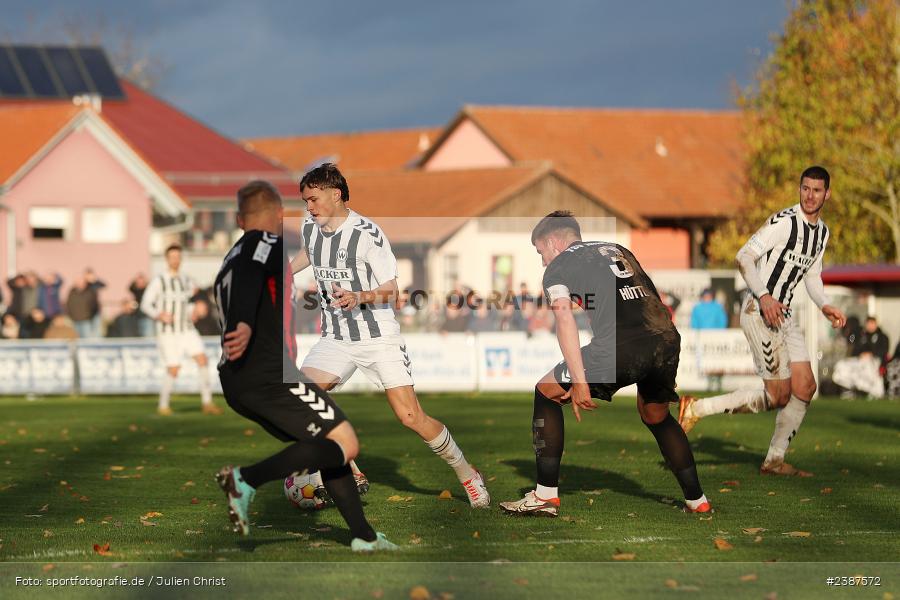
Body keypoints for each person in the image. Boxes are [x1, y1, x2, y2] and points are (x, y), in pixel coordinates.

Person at [290, 163, 489, 508]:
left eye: (313, 199)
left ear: (335, 195)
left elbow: (391, 289)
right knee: (300, 397)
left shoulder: (367, 232)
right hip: (336, 336)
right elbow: (308, 254)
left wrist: (359, 296)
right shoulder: (310, 226)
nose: (308, 207)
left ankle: (467, 474)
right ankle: (346, 464)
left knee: (411, 417)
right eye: (305, 201)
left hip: (378, 336)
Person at [214, 179, 396, 552]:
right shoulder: (266, 243)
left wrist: (243, 321)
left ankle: (364, 537)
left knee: (325, 444)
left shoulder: (230, 257)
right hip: (269, 374)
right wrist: (246, 322)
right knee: (345, 441)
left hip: (237, 380)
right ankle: (244, 479)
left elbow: (244, 282)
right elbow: (251, 282)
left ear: (238, 218)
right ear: (279, 215)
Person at [500, 211, 710, 517]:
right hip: (665, 338)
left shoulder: (559, 265)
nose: (543, 261)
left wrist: (579, 379)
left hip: (621, 345)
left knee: (545, 391)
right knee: (656, 415)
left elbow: (563, 317)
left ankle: (545, 497)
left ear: (553, 242)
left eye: (541, 252)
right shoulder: (617, 249)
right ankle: (697, 500)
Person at [678, 166, 847, 477]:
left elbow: (812, 275)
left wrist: (824, 305)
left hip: (783, 315)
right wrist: (765, 295)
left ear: (828, 194)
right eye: (805, 188)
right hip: (760, 310)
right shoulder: (784, 223)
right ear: (800, 189)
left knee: (806, 386)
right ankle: (697, 408)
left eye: (817, 190)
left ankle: (774, 460)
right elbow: (744, 256)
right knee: (778, 396)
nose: (810, 195)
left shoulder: (822, 234)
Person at [140, 244, 221, 416]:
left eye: (178, 257)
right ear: (167, 259)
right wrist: (159, 314)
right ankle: (163, 404)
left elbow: (191, 302)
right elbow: (145, 304)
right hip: (168, 331)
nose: (175, 260)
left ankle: (207, 402)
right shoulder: (159, 281)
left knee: (202, 359)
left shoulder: (186, 280)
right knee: (174, 368)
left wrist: (195, 311)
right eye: (172, 257)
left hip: (187, 329)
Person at [831, 316, 889, 399]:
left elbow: (884, 351)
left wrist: (871, 354)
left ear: (876, 324)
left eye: (872, 323)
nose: (870, 326)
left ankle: (873, 392)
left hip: (875, 362)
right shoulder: (861, 336)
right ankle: (850, 389)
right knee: (841, 366)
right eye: (868, 324)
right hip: (859, 361)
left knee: (868, 368)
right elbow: (854, 348)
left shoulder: (882, 337)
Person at [65, 270, 105, 338]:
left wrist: (94, 280)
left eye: (81, 281)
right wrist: (70, 315)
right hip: (75, 319)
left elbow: (102, 285)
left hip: (86, 319)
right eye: (77, 282)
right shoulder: (72, 292)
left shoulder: (90, 290)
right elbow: (69, 304)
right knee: (77, 338)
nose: (79, 283)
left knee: (87, 338)